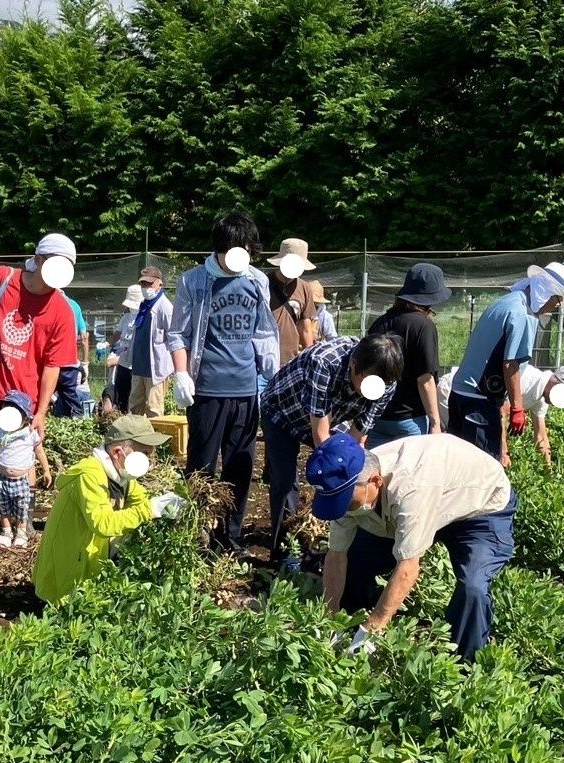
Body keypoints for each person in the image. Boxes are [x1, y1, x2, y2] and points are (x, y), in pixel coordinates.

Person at [311, 432, 517, 661]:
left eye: (347, 502)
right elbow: (337, 556)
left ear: (375, 482)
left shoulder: (411, 487)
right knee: (356, 559)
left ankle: (464, 664)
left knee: (472, 588)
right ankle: (348, 626)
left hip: (480, 508)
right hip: (425, 498)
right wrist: (330, 619)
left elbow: (407, 568)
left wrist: (373, 629)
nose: (342, 509)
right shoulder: (347, 487)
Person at [0, 233, 79, 546]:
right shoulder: (2, 279)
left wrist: (42, 411)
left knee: (24, 461)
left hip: (24, 401)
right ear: (38, 259)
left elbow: (52, 365)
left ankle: (23, 523)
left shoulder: (61, 309)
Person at [167, 211, 279, 552]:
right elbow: (178, 333)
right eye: (235, 247)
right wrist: (182, 373)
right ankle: (196, 536)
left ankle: (229, 537)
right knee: (201, 466)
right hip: (207, 390)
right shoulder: (195, 281)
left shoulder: (257, 280)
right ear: (221, 247)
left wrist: (271, 367)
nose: (241, 254)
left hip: (246, 389)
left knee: (240, 468)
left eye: (246, 247)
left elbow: (261, 330)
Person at [261, 334, 404, 563]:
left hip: (334, 418)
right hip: (282, 412)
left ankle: (331, 541)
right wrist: (331, 486)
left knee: (349, 472)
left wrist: (345, 487)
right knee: (286, 480)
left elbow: (358, 436)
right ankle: (284, 553)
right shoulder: (324, 362)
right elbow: (321, 437)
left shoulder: (386, 383)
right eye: (367, 382)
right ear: (355, 365)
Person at [33, 415, 182, 603]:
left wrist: (168, 505)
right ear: (118, 452)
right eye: (144, 454)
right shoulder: (90, 475)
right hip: (65, 575)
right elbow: (102, 524)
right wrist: (150, 509)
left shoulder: (121, 476)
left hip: (90, 562)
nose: (149, 462)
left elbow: (141, 500)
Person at [449, 262, 564, 459]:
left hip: (460, 393)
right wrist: (517, 407)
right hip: (479, 400)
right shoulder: (524, 314)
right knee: (483, 468)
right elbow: (511, 363)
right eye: (558, 298)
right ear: (547, 291)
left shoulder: (508, 301)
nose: (557, 305)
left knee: (457, 464)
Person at [365, 264, 452, 447]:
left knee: (376, 472)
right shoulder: (424, 326)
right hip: (410, 419)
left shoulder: (380, 323)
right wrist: (435, 422)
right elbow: (425, 380)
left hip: (377, 416)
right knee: (411, 474)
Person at [439, 363, 564, 467]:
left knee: (467, 453)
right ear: (558, 383)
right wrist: (503, 453)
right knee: (460, 449)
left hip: (474, 402)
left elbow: (541, 437)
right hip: (455, 390)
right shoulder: (528, 381)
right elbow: (500, 413)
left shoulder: (542, 398)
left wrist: (548, 472)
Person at [0, 391, 51, 549]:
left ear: (25, 416)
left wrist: (46, 470)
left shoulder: (29, 433)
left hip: (21, 480)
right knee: (3, 506)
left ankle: (21, 532)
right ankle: (7, 531)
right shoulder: (1, 432)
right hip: (2, 479)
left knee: (22, 507)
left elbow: (39, 451)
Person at [128, 266, 174, 417]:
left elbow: (174, 337)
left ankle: (155, 440)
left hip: (156, 370)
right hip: (139, 367)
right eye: (143, 284)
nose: (145, 287)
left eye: (149, 284)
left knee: (154, 410)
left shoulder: (165, 307)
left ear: (159, 283)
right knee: (135, 408)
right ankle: (135, 441)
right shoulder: (143, 306)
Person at [266, 238, 318, 367]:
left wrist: (308, 359)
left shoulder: (304, 288)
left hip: (291, 361)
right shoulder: (263, 283)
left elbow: (305, 328)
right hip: (263, 360)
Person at [103, 284, 143, 414]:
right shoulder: (126, 317)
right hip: (123, 365)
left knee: (134, 399)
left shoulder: (143, 318)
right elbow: (117, 334)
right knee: (120, 397)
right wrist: (105, 344)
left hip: (135, 366)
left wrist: (117, 359)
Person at [53, 292, 90, 418]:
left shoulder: (48, 303)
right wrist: (85, 364)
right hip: (70, 360)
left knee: (43, 395)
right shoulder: (74, 305)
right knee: (70, 395)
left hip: (51, 359)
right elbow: (84, 337)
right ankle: (78, 423)